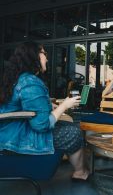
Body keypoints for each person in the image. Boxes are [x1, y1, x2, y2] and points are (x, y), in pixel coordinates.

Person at [0, 42, 89, 181]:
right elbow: (42, 125)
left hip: (10, 131)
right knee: (74, 132)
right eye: (44, 54)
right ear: (33, 56)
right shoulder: (30, 82)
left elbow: (26, 107)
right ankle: (80, 172)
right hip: (17, 137)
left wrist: (50, 106)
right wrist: (64, 106)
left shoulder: (20, 78)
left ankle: (81, 170)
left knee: (67, 126)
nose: (47, 58)